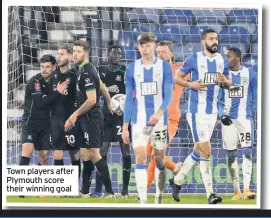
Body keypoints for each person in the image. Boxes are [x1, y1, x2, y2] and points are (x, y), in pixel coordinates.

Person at [171, 29, 232, 204]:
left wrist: (224, 81)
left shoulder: (221, 60)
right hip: (196, 112)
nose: (215, 41)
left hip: (212, 113)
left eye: (217, 38)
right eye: (211, 38)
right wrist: (191, 84)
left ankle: (177, 180)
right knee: (207, 150)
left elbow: (228, 82)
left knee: (199, 150)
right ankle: (210, 194)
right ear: (203, 42)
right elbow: (177, 77)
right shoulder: (193, 59)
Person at [122, 32, 174, 204]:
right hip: (139, 120)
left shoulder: (164, 67)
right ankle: (143, 201)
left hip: (159, 121)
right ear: (138, 48)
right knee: (140, 157)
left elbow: (169, 96)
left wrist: (159, 113)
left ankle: (159, 193)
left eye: (148, 45)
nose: (145, 49)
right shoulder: (132, 69)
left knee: (159, 158)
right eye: (142, 46)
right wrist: (125, 126)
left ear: (155, 46)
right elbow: (129, 99)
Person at [64, 40, 114, 198]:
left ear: (85, 54)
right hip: (86, 117)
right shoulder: (85, 69)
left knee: (94, 154)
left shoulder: (86, 72)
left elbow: (92, 99)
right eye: (73, 51)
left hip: (91, 117)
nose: (74, 55)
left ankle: (110, 192)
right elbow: (102, 86)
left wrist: (75, 114)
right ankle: (85, 191)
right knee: (85, 154)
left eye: (78, 52)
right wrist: (108, 101)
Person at [146, 41, 191, 190]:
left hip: (170, 119)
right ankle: (175, 168)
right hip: (152, 119)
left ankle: (143, 190)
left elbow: (198, 71)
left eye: (164, 52)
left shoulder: (180, 71)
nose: (160, 55)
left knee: (154, 153)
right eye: (158, 52)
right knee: (149, 153)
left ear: (171, 54)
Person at [91, 45, 131, 198]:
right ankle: (101, 189)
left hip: (121, 117)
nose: (118, 55)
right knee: (102, 152)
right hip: (106, 116)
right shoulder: (100, 70)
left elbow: (130, 92)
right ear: (108, 54)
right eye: (115, 53)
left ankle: (125, 190)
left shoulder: (124, 71)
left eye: (120, 53)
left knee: (125, 151)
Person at [218, 47, 257, 200]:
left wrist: (251, 111)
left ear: (238, 58)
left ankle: (247, 189)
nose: (226, 59)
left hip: (244, 119)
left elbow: (257, 95)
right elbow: (219, 99)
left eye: (229, 56)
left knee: (247, 152)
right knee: (231, 155)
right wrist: (222, 115)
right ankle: (237, 191)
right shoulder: (222, 76)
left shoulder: (250, 74)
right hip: (228, 121)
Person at [19, 55, 67, 169]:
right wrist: (58, 92)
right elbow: (40, 103)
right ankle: (20, 184)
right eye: (42, 67)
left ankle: (42, 185)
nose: (44, 70)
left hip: (45, 125)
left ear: (54, 68)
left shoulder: (56, 81)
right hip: (31, 123)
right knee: (27, 153)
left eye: (47, 67)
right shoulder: (34, 81)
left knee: (44, 157)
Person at [50, 45, 81, 177]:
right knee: (57, 152)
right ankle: (60, 187)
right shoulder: (52, 74)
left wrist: (74, 117)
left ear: (69, 56)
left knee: (74, 153)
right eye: (58, 54)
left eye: (62, 54)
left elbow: (80, 99)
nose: (59, 57)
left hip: (71, 119)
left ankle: (74, 187)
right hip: (55, 119)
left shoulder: (75, 75)